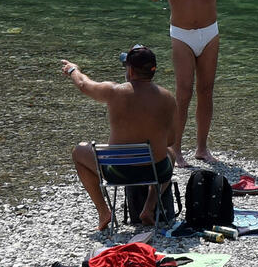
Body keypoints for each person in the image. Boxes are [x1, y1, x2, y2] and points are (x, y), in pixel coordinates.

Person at [61, 46, 177, 231]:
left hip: (119, 172)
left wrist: (73, 70)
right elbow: (170, 140)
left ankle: (103, 212)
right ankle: (148, 208)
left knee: (78, 151)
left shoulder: (114, 91)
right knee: (170, 153)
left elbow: (84, 85)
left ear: (130, 70)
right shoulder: (168, 97)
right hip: (155, 172)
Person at [147, 0, 236, 167]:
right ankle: (175, 149)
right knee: (183, 92)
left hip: (209, 33)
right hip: (182, 35)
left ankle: (202, 148)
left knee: (206, 91)